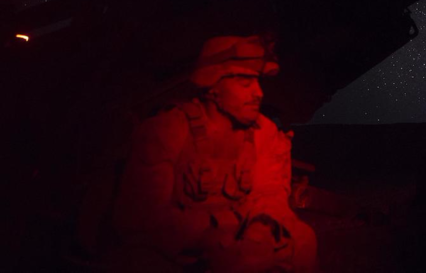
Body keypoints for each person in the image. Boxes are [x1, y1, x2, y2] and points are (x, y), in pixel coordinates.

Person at [113, 35, 317, 272]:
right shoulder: (168, 129)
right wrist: (210, 242)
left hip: (245, 233)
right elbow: (140, 217)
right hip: (179, 247)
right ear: (213, 84)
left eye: (258, 82)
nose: (258, 93)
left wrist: (260, 232)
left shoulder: (264, 132)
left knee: (303, 240)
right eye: (244, 82)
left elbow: (271, 192)